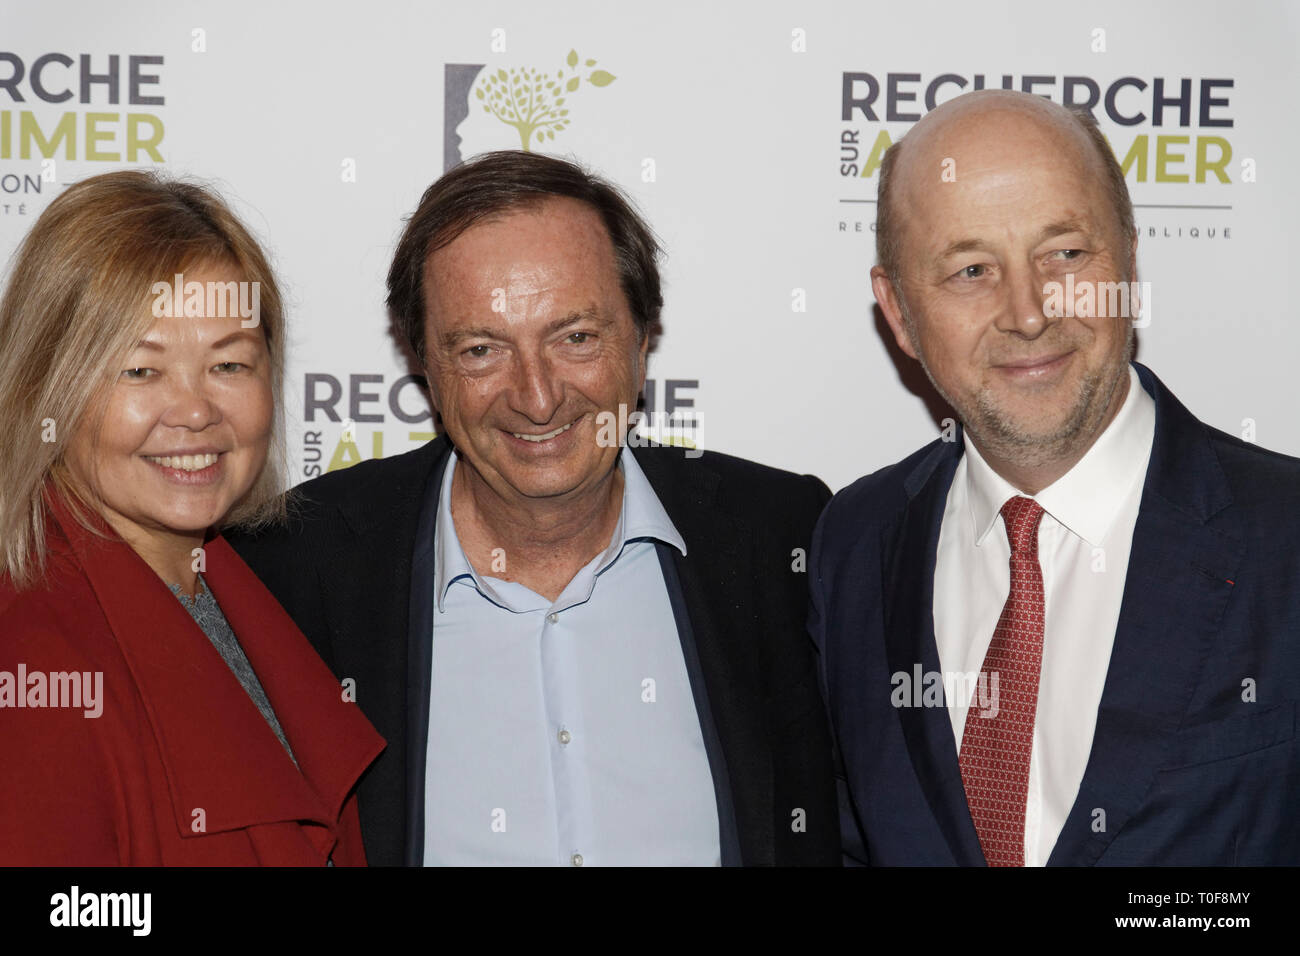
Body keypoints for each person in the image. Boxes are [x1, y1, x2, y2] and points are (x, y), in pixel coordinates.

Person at [229, 150, 838, 866]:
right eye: (483, 349)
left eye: (575, 337)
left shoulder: (783, 540)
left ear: (644, 338)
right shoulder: (293, 566)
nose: (538, 396)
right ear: (421, 358)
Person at [810, 89, 1300, 866]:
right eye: (970, 270)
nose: (1029, 312)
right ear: (898, 311)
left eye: (1066, 254)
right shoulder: (853, 543)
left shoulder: (1285, 537)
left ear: (1129, 262)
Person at [0, 170, 384, 865]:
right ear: (44, 383)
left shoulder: (248, 596)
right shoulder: (32, 667)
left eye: (230, 365)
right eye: (140, 372)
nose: (198, 411)